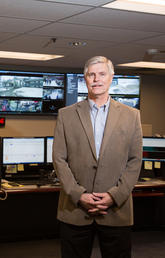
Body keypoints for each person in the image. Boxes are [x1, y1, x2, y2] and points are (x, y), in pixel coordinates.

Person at [53, 56, 142, 258]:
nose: (96, 79)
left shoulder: (131, 115)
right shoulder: (66, 115)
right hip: (75, 211)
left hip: (116, 211)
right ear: (85, 78)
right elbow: (59, 160)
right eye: (91, 74)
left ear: (111, 77)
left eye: (102, 74)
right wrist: (78, 195)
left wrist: (114, 196)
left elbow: (135, 160)